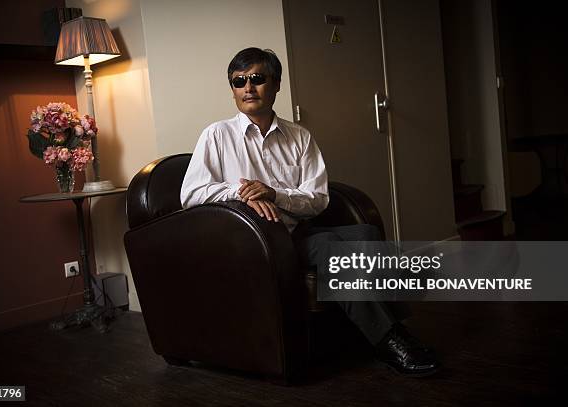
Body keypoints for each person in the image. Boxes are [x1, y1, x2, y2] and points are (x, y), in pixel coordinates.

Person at [180, 47, 439, 377]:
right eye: (238, 81)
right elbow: (191, 194)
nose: (248, 87)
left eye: (257, 78)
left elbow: (317, 199)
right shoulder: (216, 135)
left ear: (276, 85)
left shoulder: (299, 136)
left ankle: (390, 327)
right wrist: (241, 193)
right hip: (256, 242)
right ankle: (391, 341)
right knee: (334, 250)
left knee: (366, 235)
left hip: (297, 231)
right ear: (232, 89)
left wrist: (276, 194)